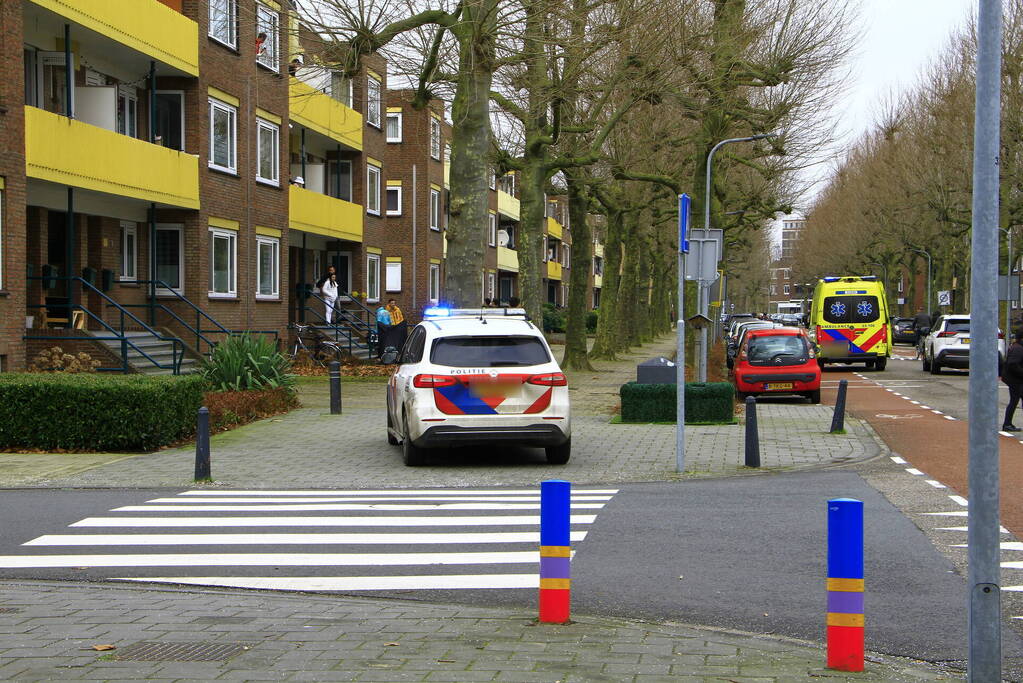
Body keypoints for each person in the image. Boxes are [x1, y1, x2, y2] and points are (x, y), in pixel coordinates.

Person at [1002, 330, 1023, 431]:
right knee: (1014, 401)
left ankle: (1007, 424)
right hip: (1015, 379)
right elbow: (1012, 364)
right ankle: (1007, 424)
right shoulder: (1018, 349)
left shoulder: (1017, 347)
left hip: (1016, 379)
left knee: (1015, 400)